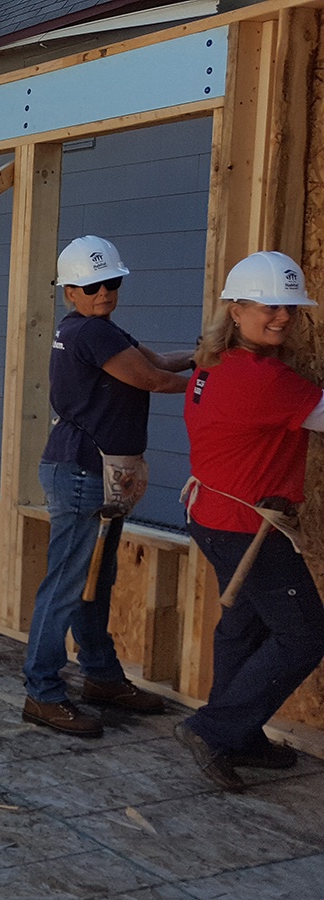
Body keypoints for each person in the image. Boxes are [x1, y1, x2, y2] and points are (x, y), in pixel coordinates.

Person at [22, 236, 191, 737]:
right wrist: (218, 381)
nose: (105, 292)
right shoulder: (89, 332)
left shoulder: (99, 330)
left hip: (95, 473)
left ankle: (101, 678)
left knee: (93, 581)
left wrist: (207, 357)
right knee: (67, 586)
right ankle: (42, 693)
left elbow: (159, 363)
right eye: (93, 285)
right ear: (70, 290)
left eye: (112, 282)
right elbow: (153, 381)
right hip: (82, 474)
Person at [175, 250, 324, 791]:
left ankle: (239, 735)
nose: (281, 316)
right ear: (235, 309)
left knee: (245, 625)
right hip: (246, 524)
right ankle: (214, 730)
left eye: (288, 305)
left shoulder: (210, 364)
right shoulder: (266, 378)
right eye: (267, 305)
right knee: (305, 635)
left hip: (211, 514)